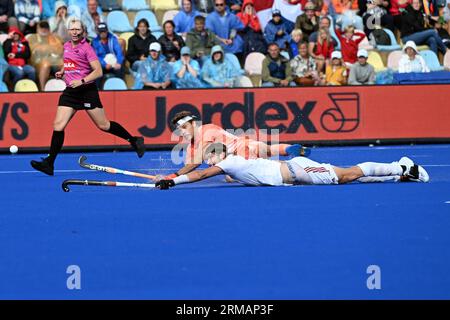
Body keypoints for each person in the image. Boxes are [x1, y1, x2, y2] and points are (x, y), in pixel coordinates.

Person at [30, 18, 145, 176]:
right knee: (58, 125)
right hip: (71, 91)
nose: (75, 32)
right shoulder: (67, 46)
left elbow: (98, 71)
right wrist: (63, 71)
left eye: (78, 29)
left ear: (83, 31)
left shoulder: (87, 48)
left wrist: (82, 80)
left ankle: (134, 140)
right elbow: (70, 62)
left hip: (87, 91)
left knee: (103, 125)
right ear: (69, 31)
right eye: (72, 29)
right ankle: (49, 163)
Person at [155, 142, 429, 189]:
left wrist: (173, 180)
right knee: (346, 176)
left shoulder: (226, 161)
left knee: (347, 175)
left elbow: (203, 174)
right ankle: (396, 177)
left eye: (209, 157)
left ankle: (402, 166)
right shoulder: (232, 164)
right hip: (296, 172)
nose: (207, 162)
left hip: (298, 171)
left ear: (217, 155)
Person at [159, 111, 310, 178]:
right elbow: (189, 168)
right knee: (269, 150)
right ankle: (290, 149)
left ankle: (294, 167)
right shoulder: (192, 146)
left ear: (194, 123)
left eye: (185, 128)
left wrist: (173, 177)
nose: (183, 133)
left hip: (242, 154)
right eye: (180, 131)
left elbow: (196, 163)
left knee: (232, 177)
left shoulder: (205, 131)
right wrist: (172, 178)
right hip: (249, 144)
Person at [27, 21, 64, 90]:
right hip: (39, 61)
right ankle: (42, 89)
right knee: (45, 64)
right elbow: (35, 50)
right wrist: (48, 48)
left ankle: (70, 88)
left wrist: (46, 48)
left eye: (46, 28)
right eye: (42, 28)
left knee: (66, 65)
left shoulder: (55, 38)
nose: (44, 29)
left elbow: (60, 50)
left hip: (55, 60)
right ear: (38, 28)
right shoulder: (32, 37)